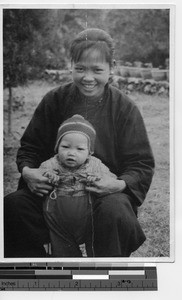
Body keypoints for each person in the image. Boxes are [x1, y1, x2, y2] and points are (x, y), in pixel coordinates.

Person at [4, 28, 155, 258]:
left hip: (102, 197)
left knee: (116, 210)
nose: (88, 77)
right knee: (14, 206)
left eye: (97, 70)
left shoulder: (125, 108)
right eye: (80, 68)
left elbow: (141, 163)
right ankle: (40, 275)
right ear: (70, 65)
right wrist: (28, 173)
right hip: (54, 194)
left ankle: (104, 278)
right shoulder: (54, 100)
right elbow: (30, 148)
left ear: (111, 67)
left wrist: (119, 185)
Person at [40, 114, 117, 257]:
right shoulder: (51, 163)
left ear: (90, 152)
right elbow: (40, 173)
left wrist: (99, 178)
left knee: (94, 240)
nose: (71, 153)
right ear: (57, 147)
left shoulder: (95, 164)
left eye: (79, 149)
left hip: (87, 215)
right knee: (62, 246)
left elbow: (111, 178)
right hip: (57, 215)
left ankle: (95, 264)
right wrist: (48, 175)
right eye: (65, 147)